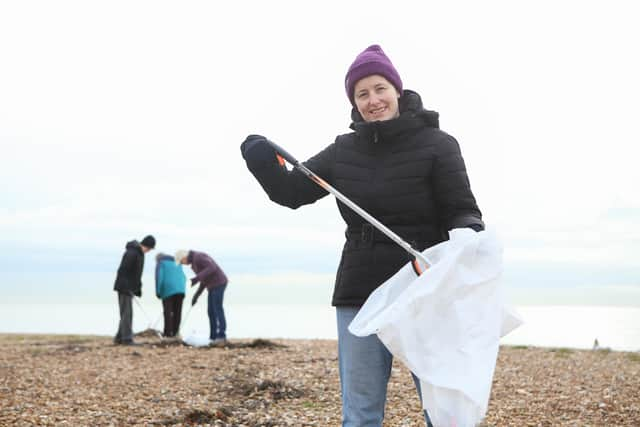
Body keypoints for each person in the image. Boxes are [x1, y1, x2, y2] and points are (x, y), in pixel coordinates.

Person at [240, 44, 484, 426]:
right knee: (361, 411)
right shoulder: (343, 150)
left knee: (444, 408)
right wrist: (259, 160)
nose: (373, 100)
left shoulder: (438, 144)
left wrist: (466, 236)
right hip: (361, 289)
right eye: (362, 93)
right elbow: (291, 193)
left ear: (397, 91)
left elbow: (463, 209)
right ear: (354, 102)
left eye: (380, 88)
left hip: (424, 285)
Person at [175, 249, 229, 345]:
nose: (182, 264)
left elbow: (212, 268)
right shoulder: (194, 264)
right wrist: (196, 295)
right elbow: (204, 279)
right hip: (212, 286)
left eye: (181, 262)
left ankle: (221, 336)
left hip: (219, 283)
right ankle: (213, 337)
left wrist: (196, 278)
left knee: (217, 309)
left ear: (184, 257)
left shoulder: (198, 257)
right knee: (210, 311)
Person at [113, 234, 156, 345]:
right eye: (150, 248)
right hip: (124, 287)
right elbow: (123, 270)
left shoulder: (140, 254)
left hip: (129, 287)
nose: (149, 251)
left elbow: (136, 274)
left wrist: (138, 288)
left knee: (125, 313)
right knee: (127, 313)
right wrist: (126, 287)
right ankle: (127, 339)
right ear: (146, 245)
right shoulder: (132, 252)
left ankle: (119, 338)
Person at [155, 253, 187, 338]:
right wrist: (182, 289)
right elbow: (184, 277)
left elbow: (159, 277)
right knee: (177, 312)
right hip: (181, 290)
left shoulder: (161, 263)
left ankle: (168, 333)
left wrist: (158, 292)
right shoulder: (178, 263)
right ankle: (175, 332)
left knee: (168, 312)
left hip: (168, 290)